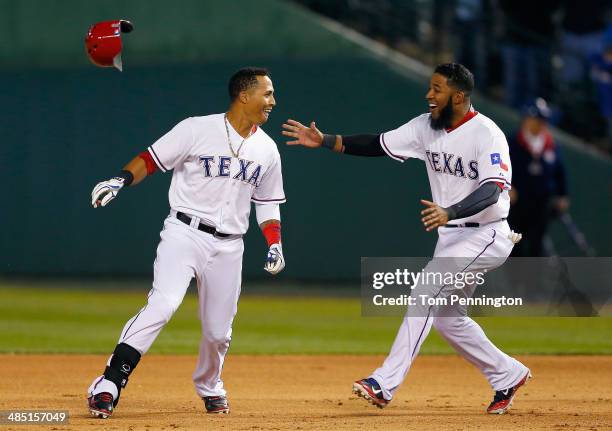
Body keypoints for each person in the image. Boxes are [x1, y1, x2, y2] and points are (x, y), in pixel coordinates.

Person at [282, 63, 530, 414]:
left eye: (437, 89)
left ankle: (384, 383)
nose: (429, 94)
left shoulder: (487, 133)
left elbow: (492, 190)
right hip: (453, 237)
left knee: (425, 290)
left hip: (487, 234)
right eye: (430, 87)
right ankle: (508, 373)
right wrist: (325, 140)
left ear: (458, 96)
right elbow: (377, 144)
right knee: (447, 317)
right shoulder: (425, 127)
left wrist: (451, 211)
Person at [87, 67, 286, 418]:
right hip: (185, 232)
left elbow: (267, 203)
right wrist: (120, 180)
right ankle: (110, 382)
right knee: (163, 303)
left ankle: (210, 386)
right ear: (244, 95)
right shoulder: (196, 128)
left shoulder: (268, 149)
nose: (273, 100)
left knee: (218, 332)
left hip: (230, 246)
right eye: (267, 93)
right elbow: (151, 159)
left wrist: (274, 242)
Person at [508, 98, 569, 257]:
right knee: (514, 246)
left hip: (542, 205)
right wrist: (507, 187)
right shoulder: (512, 143)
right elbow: (499, 169)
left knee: (537, 247)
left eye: (543, 120)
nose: (539, 124)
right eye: (536, 119)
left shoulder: (551, 145)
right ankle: (517, 281)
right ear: (526, 119)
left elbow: (560, 172)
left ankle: (534, 281)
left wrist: (562, 195)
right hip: (517, 205)